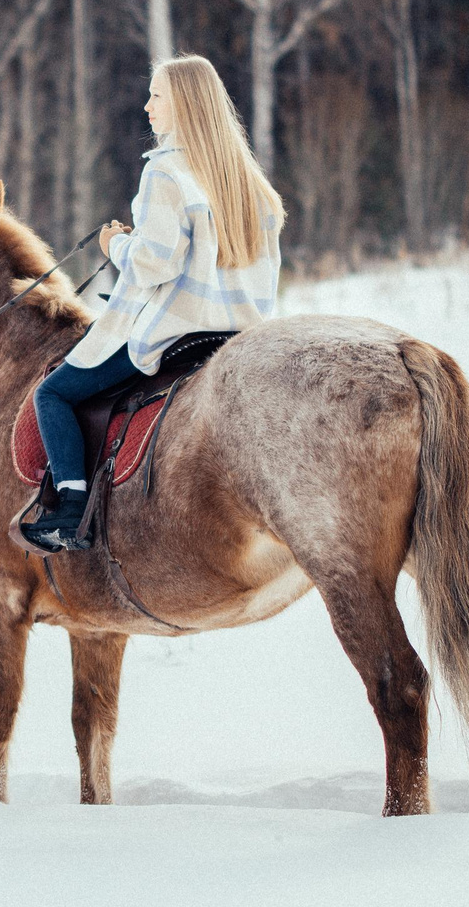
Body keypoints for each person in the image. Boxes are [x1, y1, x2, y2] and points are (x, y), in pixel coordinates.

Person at [22, 54, 284, 553]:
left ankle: (71, 509)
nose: (147, 107)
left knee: (53, 395)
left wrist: (115, 247)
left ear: (183, 103)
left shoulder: (166, 173)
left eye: (156, 95)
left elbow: (152, 267)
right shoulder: (248, 179)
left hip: (177, 334)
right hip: (241, 334)